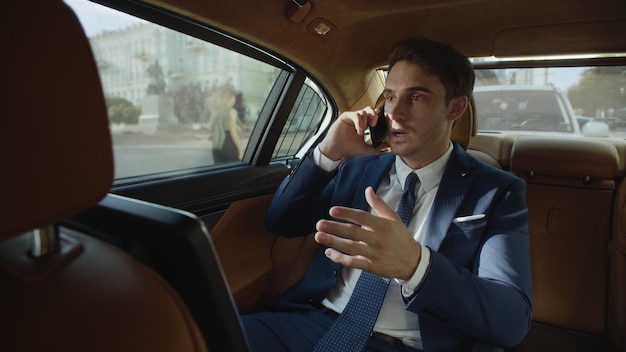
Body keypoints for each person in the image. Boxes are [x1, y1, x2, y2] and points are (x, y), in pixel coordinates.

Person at [241, 37, 532, 352]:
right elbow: (282, 223)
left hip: (411, 344)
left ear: (455, 107)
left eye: (417, 97)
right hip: (315, 323)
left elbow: (510, 319)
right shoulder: (358, 169)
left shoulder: (497, 191)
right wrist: (328, 153)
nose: (396, 112)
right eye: (390, 96)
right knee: (201, 334)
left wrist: (414, 265)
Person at [207, 85, 243, 163]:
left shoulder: (216, 112)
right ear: (230, 98)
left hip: (216, 147)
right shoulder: (231, 111)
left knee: (219, 172)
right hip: (229, 146)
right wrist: (240, 149)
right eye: (233, 96)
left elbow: (210, 127)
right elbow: (232, 132)